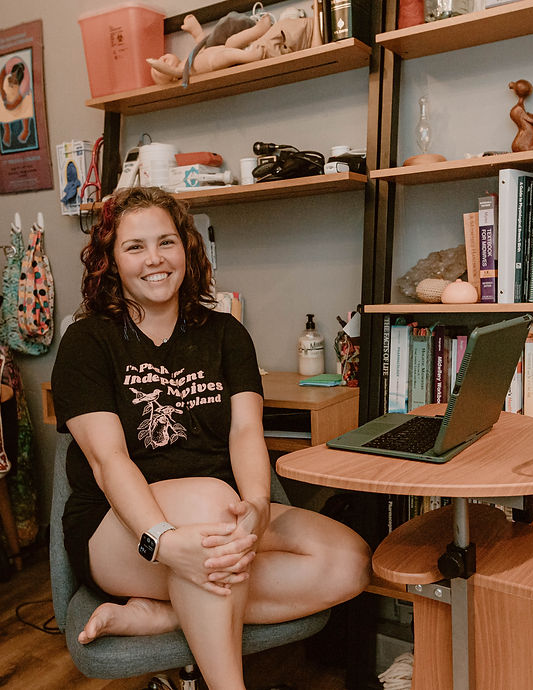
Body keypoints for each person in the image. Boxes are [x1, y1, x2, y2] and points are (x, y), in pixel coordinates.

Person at [51, 187, 370, 689]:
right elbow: (108, 461)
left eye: (166, 242)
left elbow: (246, 430)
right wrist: (163, 541)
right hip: (119, 528)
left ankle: (168, 614)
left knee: (350, 562)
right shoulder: (87, 341)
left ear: (187, 250)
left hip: (217, 518)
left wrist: (259, 506)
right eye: (134, 247)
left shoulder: (226, 334)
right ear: (111, 261)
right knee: (210, 499)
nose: (154, 259)